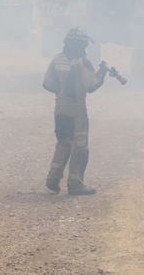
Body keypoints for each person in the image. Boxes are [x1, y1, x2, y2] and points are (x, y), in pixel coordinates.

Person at [43, 27, 108, 196]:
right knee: (80, 147)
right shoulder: (83, 62)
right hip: (76, 109)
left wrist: (62, 92)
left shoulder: (57, 59)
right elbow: (91, 86)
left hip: (60, 108)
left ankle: (53, 178)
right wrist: (102, 73)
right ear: (81, 45)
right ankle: (75, 184)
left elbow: (47, 84)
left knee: (63, 143)